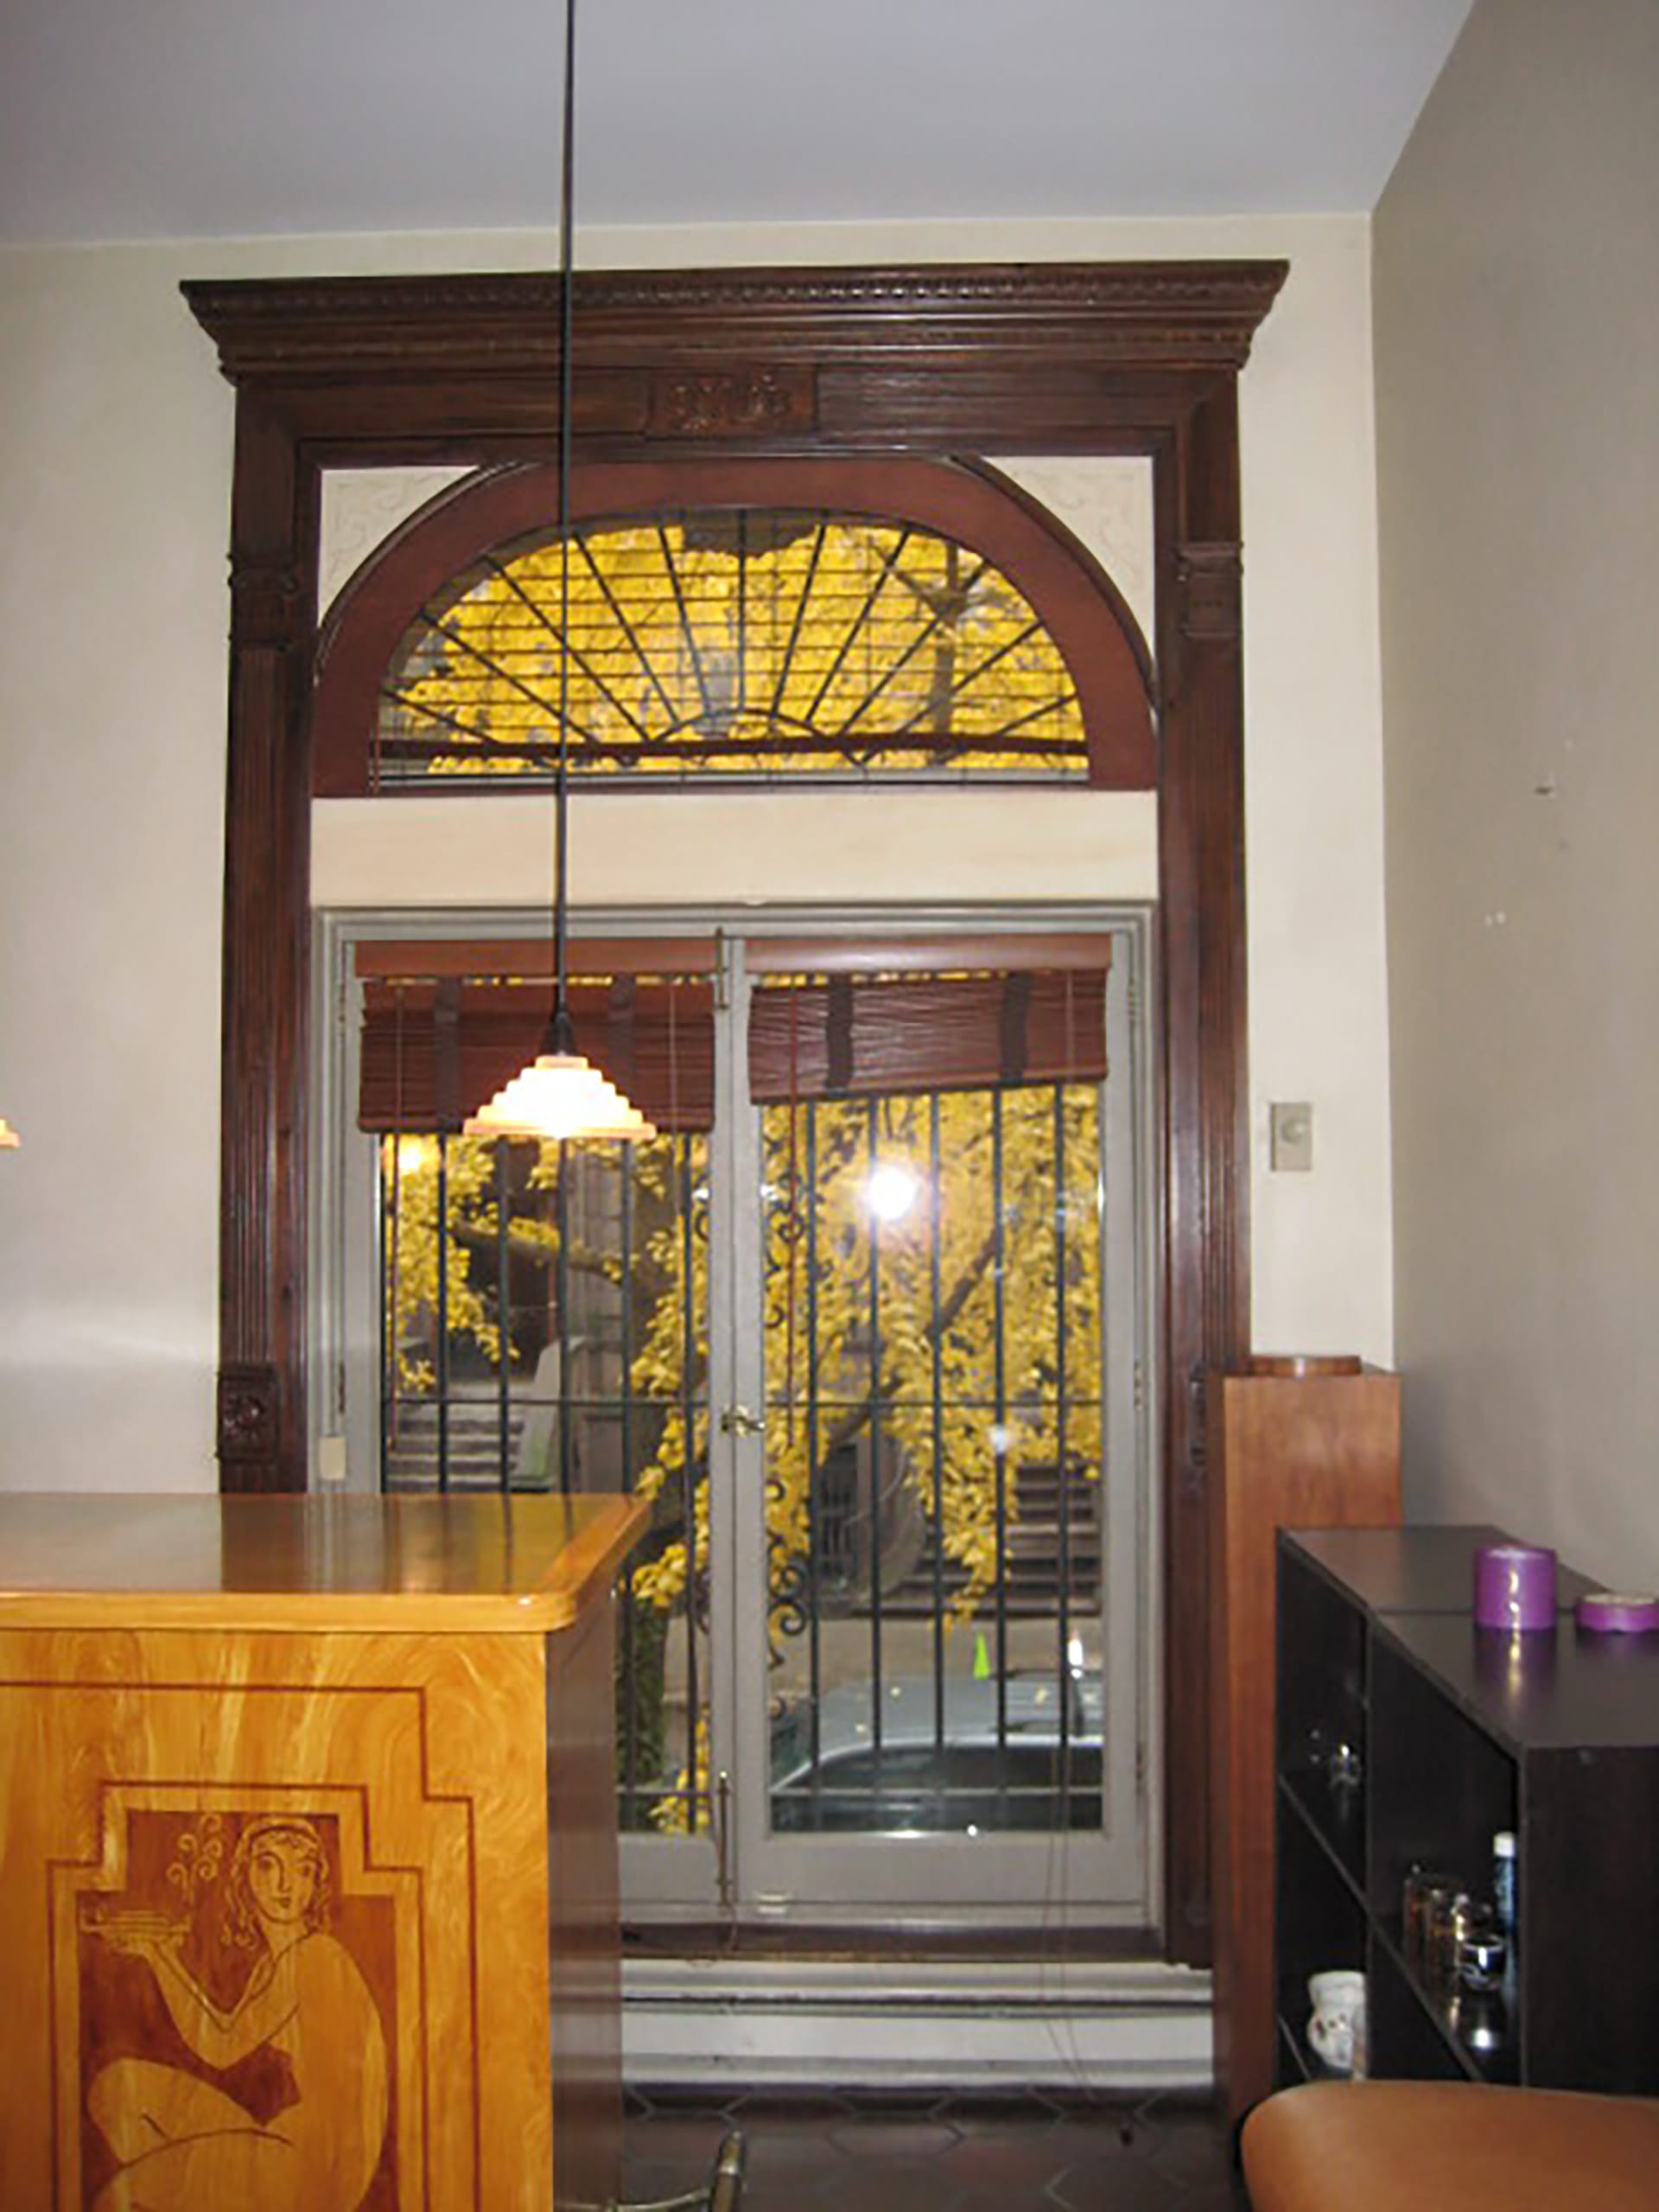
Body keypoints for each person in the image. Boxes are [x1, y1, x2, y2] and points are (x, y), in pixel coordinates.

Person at [86, 1815, 388, 2212]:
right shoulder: (274, 1964)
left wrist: (158, 1956)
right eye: (268, 1864)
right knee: (114, 2092)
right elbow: (222, 2030)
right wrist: (158, 1955)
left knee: (115, 2199)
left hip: (316, 2171)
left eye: (304, 1870)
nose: (286, 1885)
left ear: (316, 1884)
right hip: (282, 2144)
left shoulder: (315, 1956)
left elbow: (220, 2047)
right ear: (244, 1876)